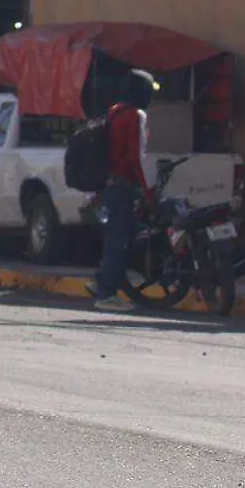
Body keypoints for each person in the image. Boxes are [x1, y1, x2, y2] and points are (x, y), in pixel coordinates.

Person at [91, 69, 157, 312]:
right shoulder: (136, 116)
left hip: (110, 183)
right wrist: (147, 190)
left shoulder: (115, 111)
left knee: (119, 236)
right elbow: (136, 157)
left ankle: (99, 279)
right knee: (119, 240)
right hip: (124, 185)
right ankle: (106, 294)